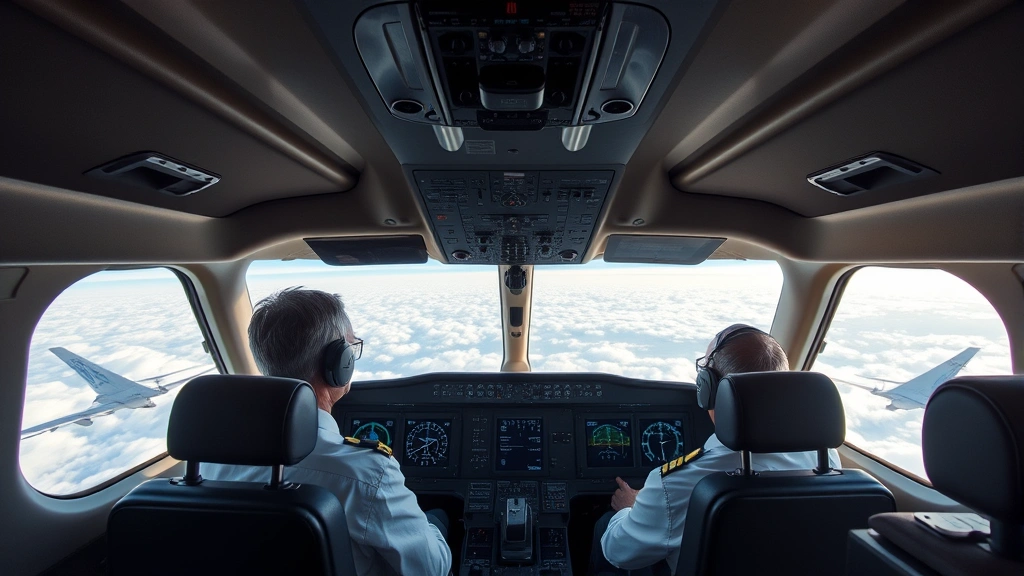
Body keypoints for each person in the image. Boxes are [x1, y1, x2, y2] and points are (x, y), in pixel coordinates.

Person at [202, 287, 452, 576]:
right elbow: (431, 569)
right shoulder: (366, 474)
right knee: (440, 520)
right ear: (338, 363)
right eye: (352, 348)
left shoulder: (208, 462)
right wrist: (432, 526)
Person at [590, 324, 842, 575]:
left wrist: (629, 509)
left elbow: (619, 552)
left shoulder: (678, 483)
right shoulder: (826, 460)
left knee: (608, 526)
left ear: (709, 389)